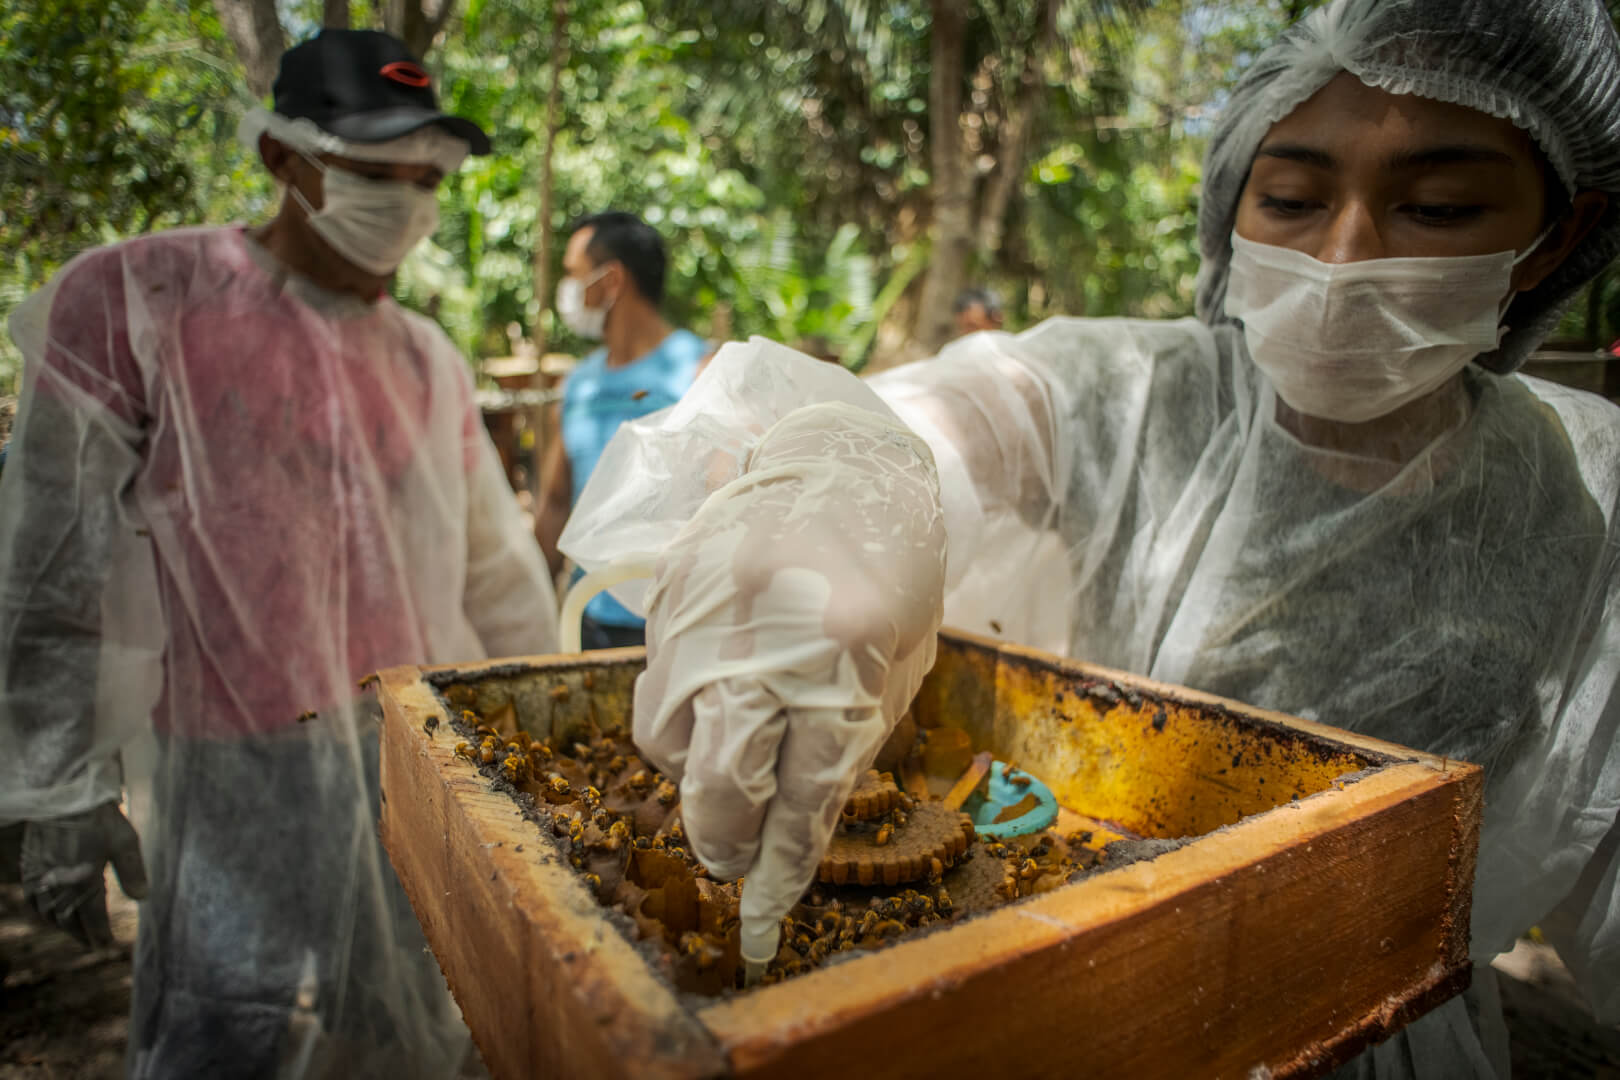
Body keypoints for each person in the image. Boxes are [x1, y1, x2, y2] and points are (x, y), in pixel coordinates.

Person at [558, 0, 1620, 1075]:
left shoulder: (1591, 503)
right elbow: (953, 413)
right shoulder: (1135, 391)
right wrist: (845, 470)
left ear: (1559, 234)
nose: (1344, 257)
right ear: (1234, 201)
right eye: (1293, 197)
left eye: (1437, 207)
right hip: (1072, 992)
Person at [0, 30, 558, 1079]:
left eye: (423, 179)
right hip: (231, 766)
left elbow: (493, 575)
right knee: (222, 1027)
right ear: (282, 159)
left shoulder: (422, 358)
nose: (405, 201)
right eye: (370, 173)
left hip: (408, 751)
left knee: (416, 1015)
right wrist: (57, 786)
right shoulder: (147, 303)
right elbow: (47, 568)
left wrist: (549, 734)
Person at [534, 211, 707, 650]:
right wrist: (531, 605)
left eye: (573, 275)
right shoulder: (577, 386)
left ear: (610, 282)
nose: (567, 292)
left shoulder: (701, 375)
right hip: (589, 618)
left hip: (673, 626)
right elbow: (555, 505)